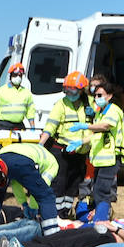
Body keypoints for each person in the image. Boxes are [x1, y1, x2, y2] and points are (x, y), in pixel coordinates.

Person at [74, 80, 124, 223]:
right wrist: (80, 142)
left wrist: (85, 126)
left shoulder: (113, 110)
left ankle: (101, 221)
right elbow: (96, 134)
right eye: (95, 95)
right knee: (97, 191)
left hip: (110, 158)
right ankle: (100, 218)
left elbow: (105, 126)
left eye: (100, 95)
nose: (97, 98)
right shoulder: (101, 113)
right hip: (101, 159)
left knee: (101, 191)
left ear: (110, 96)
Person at [41, 71, 92, 216]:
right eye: (66, 90)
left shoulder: (89, 104)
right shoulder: (61, 104)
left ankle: (66, 212)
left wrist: (93, 113)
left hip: (80, 152)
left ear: (82, 90)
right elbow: (50, 126)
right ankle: (56, 214)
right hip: (62, 151)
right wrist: (40, 145)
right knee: (59, 183)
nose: (69, 93)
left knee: (73, 185)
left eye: (72, 90)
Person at [0, 141, 62, 235]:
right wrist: (33, 207)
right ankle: (52, 234)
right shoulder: (53, 165)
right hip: (23, 160)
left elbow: (15, 183)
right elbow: (40, 192)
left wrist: (24, 204)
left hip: (1, 157)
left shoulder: (31, 149)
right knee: (47, 196)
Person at [0, 63, 36, 129]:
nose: (17, 77)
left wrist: (32, 126)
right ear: (10, 76)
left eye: (20, 75)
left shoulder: (26, 93)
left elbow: (30, 111)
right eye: (15, 75)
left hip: (19, 125)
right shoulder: (1, 91)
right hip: (3, 125)